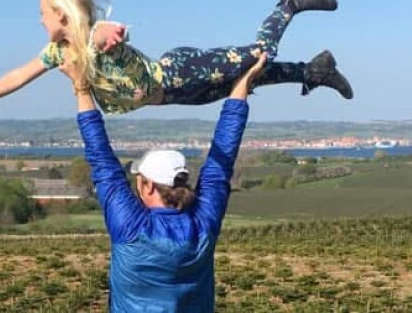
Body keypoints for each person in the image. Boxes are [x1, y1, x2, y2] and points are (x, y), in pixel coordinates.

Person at [0, 0, 352, 130]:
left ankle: (289, 3)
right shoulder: (58, 54)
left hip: (176, 73)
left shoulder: (93, 35)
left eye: (43, 15)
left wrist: (114, 33)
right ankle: (314, 71)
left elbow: (108, 31)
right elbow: (19, 74)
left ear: (61, 15)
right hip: (174, 96)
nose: (39, 22)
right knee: (251, 79)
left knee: (259, 56)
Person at [64, 50, 267, 311]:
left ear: (147, 185)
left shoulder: (131, 226)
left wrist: (81, 88)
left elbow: (102, 160)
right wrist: (242, 85)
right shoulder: (202, 223)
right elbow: (221, 164)